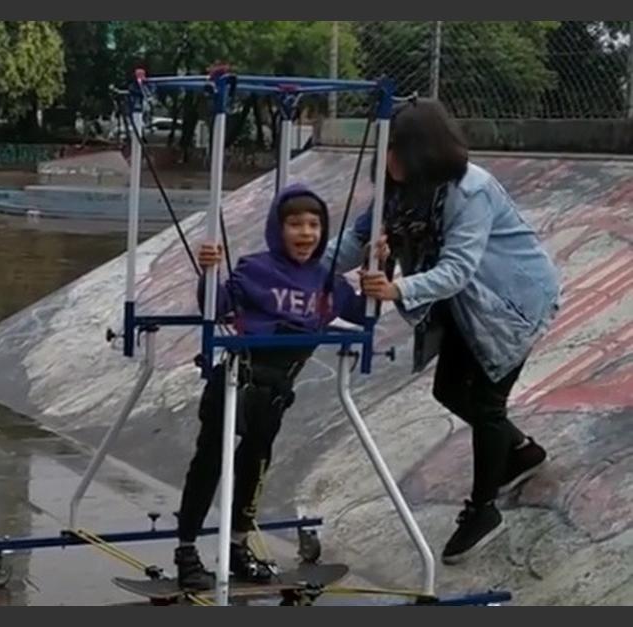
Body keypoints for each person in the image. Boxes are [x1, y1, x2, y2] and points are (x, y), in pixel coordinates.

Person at [325, 98, 560, 565]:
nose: (385, 159)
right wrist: (299, 263)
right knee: (450, 390)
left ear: (418, 150)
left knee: (488, 403)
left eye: (392, 150)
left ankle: (483, 511)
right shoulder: (399, 193)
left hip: (510, 303)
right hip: (466, 308)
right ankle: (520, 453)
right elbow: (353, 242)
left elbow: (458, 268)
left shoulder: (469, 192)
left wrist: (395, 289)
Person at [175, 184, 367, 590]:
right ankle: (187, 550)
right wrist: (209, 271)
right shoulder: (255, 269)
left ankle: (237, 544)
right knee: (210, 461)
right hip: (235, 383)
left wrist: (380, 275)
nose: (306, 233)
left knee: (256, 464)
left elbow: (364, 314)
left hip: (276, 394)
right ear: (277, 229)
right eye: (295, 224)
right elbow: (219, 306)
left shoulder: (327, 282)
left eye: (314, 224)